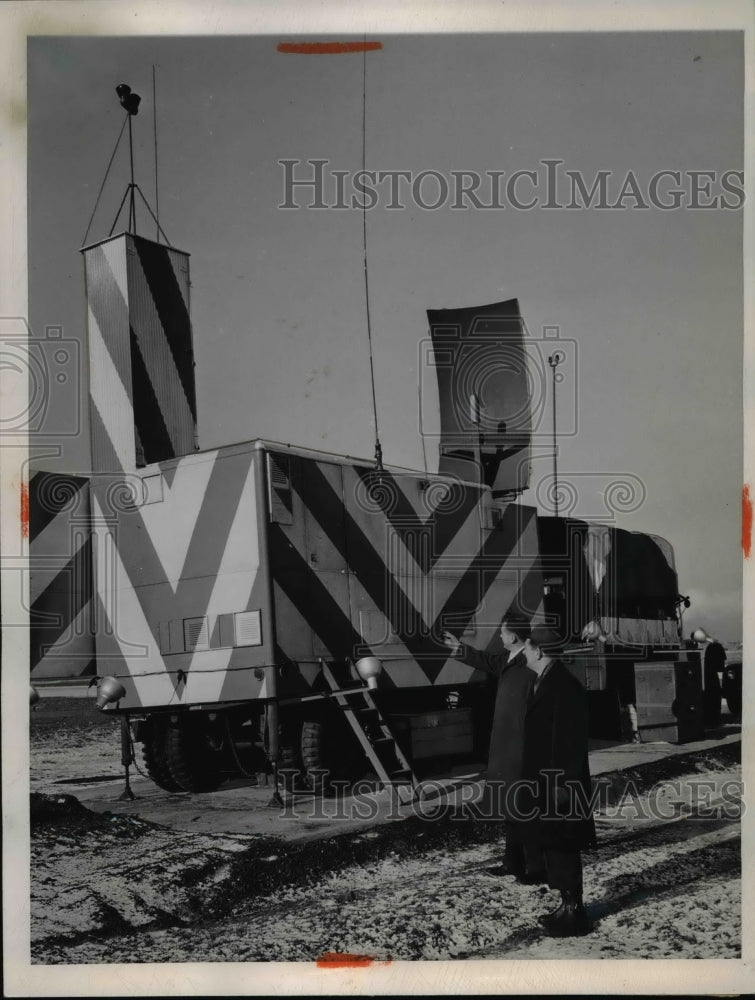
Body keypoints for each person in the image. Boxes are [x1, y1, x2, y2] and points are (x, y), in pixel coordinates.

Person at [441, 618, 545, 882]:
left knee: (525, 807)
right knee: (510, 807)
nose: (499, 636)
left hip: (522, 745)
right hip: (506, 746)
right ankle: (512, 862)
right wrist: (458, 647)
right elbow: (486, 661)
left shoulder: (531, 662)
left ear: (513, 637)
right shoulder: (511, 659)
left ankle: (536, 868)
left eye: (503, 632)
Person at [519, 626, 597, 937]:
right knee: (554, 842)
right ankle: (566, 905)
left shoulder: (564, 685)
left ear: (538, 650)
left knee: (564, 843)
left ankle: (574, 913)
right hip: (548, 780)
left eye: (527, 648)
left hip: (559, 783)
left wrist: (562, 784)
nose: (524, 653)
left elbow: (571, 740)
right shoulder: (548, 679)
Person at [692, 628, 724, 727]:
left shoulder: (708, 648)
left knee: (709, 700)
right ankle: (714, 721)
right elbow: (721, 667)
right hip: (712, 679)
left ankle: (710, 721)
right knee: (714, 700)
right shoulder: (715, 646)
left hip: (708, 680)